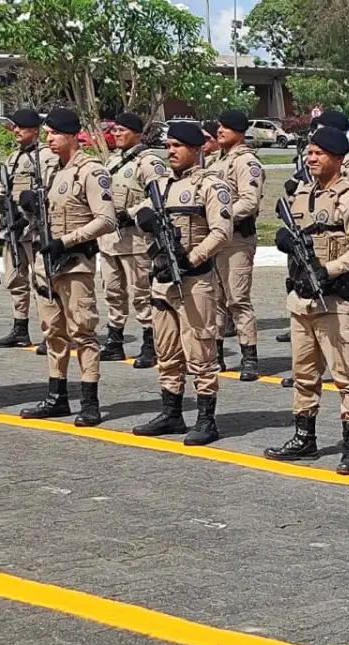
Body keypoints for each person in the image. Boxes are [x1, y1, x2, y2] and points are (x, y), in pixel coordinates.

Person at [264, 124, 349, 475]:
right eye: (309, 153)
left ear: (338, 158)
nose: (311, 158)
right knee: (303, 374)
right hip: (302, 301)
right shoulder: (302, 193)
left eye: (319, 153)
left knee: (348, 377)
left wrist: (330, 269)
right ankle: (304, 437)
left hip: (337, 304)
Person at [131, 122, 232, 446]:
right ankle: (171, 412)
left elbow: (221, 232)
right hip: (163, 282)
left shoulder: (211, 186)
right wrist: (144, 222)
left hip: (195, 282)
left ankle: (206, 419)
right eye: (169, 145)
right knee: (167, 351)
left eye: (178, 145)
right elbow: (140, 217)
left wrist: (193, 258)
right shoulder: (161, 186)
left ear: (196, 149)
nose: (171, 151)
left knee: (200, 353)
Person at [18, 108, 116, 427]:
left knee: (82, 331)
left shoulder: (90, 170)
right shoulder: (52, 171)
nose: (49, 139)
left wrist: (67, 241)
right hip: (47, 264)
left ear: (73, 136)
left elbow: (106, 219)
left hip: (74, 264)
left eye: (55, 134)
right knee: (53, 332)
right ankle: (57, 396)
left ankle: (90, 401)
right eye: (47, 133)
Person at [98, 112, 169, 368]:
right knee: (112, 291)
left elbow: (160, 195)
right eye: (114, 129)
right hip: (110, 241)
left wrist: (131, 213)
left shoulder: (148, 162)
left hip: (136, 240)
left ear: (138, 133)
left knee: (141, 293)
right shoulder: (112, 160)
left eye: (123, 130)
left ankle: (151, 342)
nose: (116, 134)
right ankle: (114, 339)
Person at [0, 108, 57, 352]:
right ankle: (20, 328)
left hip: (34, 229)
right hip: (14, 230)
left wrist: (29, 210)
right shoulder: (13, 157)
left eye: (21, 127)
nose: (16, 131)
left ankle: (51, 330)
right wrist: (0, 200)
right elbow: (1, 184)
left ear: (34, 130)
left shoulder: (46, 157)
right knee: (15, 280)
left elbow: (49, 189)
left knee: (42, 280)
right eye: (15, 127)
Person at [209, 109, 265, 381]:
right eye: (219, 126)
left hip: (236, 239)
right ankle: (216, 355)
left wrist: (219, 216)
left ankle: (249, 356)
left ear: (240, 132)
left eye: (226, 127)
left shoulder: (245, 162)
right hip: (214, 240)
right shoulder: (215, 160)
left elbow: (249, 201)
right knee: (215, 299)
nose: (219, 130)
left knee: (237, 299)